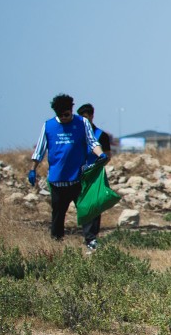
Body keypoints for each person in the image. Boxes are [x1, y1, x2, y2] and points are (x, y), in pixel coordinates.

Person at [29, 93, 103, 247]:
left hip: (78, 178)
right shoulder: (48, 126)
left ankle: (91, 241)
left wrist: (100, 154)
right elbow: (39, 150)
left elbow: (92, 142)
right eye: (60, 115)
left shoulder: (82, 123)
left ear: (71, 110)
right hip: (57, 181)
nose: (64, 118)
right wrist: (33, 169)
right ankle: (56, 243)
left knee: (86, 210)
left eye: (67, 114)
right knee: (58, 214)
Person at [76, 103, 113, 248]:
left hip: (96, 175)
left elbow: (108, 155)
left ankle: (92, 236)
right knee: (85, 205)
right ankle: (89, 236)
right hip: (80, 174)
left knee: (96, 205)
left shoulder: (101, 135)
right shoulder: (77, 135)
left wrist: (99, 165)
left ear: (92, 116)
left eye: (86, 117)